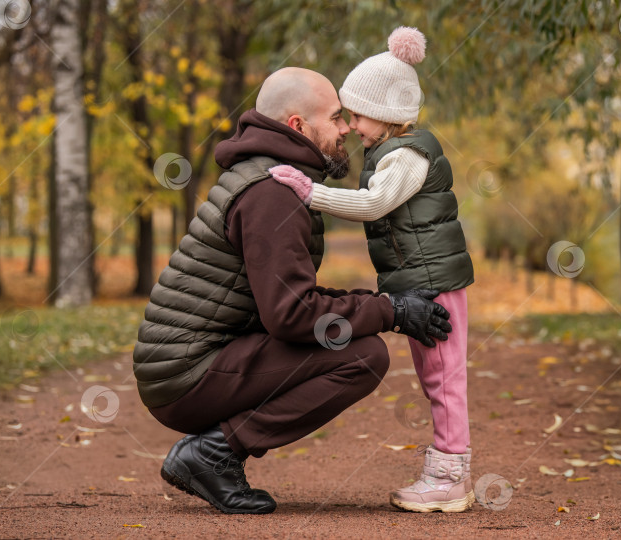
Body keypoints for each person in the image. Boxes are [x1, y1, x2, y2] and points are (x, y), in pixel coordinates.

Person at [132, 67, 453, 515]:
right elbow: (293, 316)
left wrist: (384, 305)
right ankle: (213, 454)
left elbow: (292, 298)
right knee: (362, 355)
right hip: (184, 373)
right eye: (336, 118)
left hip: (188, 362)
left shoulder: (271, 177)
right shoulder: (271, 192)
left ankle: (213, 452)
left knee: (354, 341)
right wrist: (390, 312)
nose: (347, 129)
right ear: (297, 126)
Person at [269, 27, 475, 513]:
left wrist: (308, 192)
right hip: (423, 282)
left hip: (436, 286)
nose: (351, 126)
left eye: (356, 115)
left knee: (444, 380)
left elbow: (375, 204)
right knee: (436, 379)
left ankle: (450, 475)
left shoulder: (406, 155)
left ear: (384, 114)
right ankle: (448, 469)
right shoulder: (391, 152)